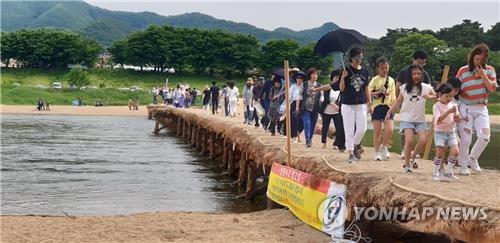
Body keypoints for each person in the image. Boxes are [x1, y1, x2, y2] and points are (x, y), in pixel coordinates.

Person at [386, 64, 436, 173]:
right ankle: (407, 165)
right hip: (406, 119)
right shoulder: (404, 87)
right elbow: (397, 102)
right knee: (409, 141)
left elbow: (437, 97)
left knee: (424, 140)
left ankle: (413, 155)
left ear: (422, 75)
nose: (416, 76)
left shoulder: (426, 87)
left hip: (420, 120)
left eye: (419, 73)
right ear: (410, 75)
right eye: (414, 74)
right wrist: (390, 113)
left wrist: (430, 97)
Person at [456, 43, 497, 175]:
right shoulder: (463, 70)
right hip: (465, 107)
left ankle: (472, 159)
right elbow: (455, 88)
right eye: (477, 59)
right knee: (466, 138)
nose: (479, 62)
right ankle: (463, 165)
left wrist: (483, 75)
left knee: (485, 137)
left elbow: (492, 89)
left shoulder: (490, 70)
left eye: (482, 59)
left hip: (481, 108)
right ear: (472, 57)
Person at [396, 50, 433, 158]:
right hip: (405, 102)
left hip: (417, 103)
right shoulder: (404, 72)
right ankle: (405, 150)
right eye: (419, 63)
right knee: (406, 129)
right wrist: (397, 102)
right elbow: (398, 86)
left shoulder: (424, 74)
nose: (421, 65)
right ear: (413, 60)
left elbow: (429, 89)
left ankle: (413, 151)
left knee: (418, 130)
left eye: (423, 63)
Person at [339, 47, 372, 162]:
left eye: (361, 57)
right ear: (351, 59)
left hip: (361, 103)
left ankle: (355, 144)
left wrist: (369, 100)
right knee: (349, 129)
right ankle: (350, 153)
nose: (359, 59)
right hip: (347, 104)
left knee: (363, 128)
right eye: (357, 57)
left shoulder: (365, 71)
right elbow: (341, 89)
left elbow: (366, 87)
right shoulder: (345, 70)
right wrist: (343, 77)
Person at [368, 57, 396, 161]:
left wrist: (393, 106)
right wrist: (378, 92)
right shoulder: (374, 80)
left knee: (390, 130)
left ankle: (383, 146)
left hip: (388, 107)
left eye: (386, 68)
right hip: (377, 107)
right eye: (382, 68)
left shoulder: (391, 80)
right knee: (377, 131)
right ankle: (376, 153)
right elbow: (368, 92)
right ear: (378, 69)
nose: (384, 70)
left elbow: (394, 96)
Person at [432, 83, 461, 181]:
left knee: (456, 151)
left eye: (451, 96)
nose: (449, 98)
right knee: (439, 153)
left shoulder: (453, 105)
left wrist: (457, 117)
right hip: (440, 132)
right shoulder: (436, 106)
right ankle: (436, 173)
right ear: (439, 95)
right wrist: (449, 112)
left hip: (451, 132)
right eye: (447, 96)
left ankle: (448, 171)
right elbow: (439, 119)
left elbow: (458, 119)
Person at [302, 68, 322, 147]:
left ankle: (309, 138)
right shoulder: (305, 84)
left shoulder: (319, 85)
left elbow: (321, 96)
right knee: (307, 123)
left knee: (313, 125)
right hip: (306, 107)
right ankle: (308, 140)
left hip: (315, 107)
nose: (315, 76)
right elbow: (300, 94)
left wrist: (321, 103)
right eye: (313, 74)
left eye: (316, 74)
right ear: (310, 75)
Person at [289, 72, 305, 143]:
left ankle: (298, 134)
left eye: (301, 78)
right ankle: (295, 136)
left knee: (302, 121)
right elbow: (289, 96)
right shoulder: (293, 86)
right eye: (298, 78)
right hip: (294, 103)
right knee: (294, 120)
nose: (299, 79)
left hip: (302, 104)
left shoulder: (304, 87)